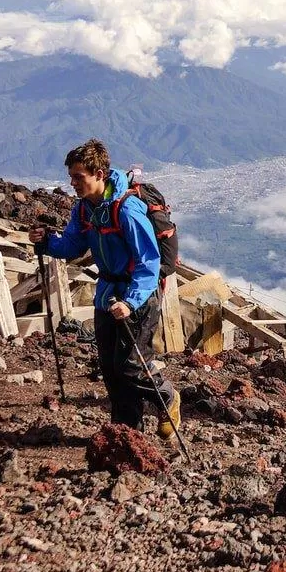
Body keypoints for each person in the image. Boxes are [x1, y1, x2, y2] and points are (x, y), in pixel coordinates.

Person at [28, 139, 181, 438]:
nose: (72, 183)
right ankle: (128, 433)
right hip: (107, 294)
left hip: (137, 296)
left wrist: (131, 302)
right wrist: (46, 242)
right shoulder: (85, 209)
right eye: (71, 177)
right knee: (111, 371)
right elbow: (72, 244)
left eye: (78, 177)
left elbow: (149, 262)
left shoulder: (127, 210)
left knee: (131, 366)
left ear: (99, 174)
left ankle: (168, 397)